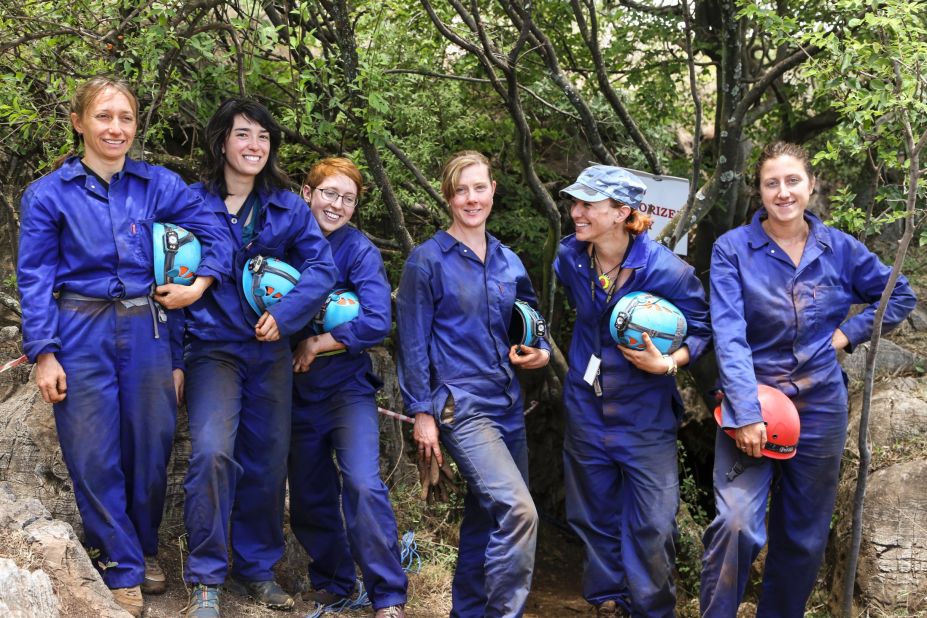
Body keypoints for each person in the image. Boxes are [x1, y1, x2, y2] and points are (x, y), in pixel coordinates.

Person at [17, 76, 231, 617]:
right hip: (79, 328)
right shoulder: (49, 194)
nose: (116, 128)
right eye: (104, 116)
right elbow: (36, 277)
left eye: (126, 118)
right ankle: (121, 566)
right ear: (79, 122)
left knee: (150, 446)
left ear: (137, 125)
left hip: (149, 328)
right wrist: (44, 351)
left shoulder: (159, 185)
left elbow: (215, 229)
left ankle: (144, 546)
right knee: (93, 453)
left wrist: (199, 283)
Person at [700, 141, 917, 617]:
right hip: (750, 400)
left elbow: (898, 294)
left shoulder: (839, 248)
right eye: (771, 183)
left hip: (820, 406)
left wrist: (847, 334)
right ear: (759, 191)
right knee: (736, 522)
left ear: (811, 185)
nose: (783, 192)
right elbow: (729, 333)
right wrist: (745, 411)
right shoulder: (732, 250)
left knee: (802, 536)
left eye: (792, 180)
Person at [175, 98, 337, 618]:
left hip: (269, 353)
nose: (254, 146)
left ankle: (256, 570)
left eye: (264, 137)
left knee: (267, 462)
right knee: (213, 452)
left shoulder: (288, 206)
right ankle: (205, 577)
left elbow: (321, 269)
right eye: (244, 135)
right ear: (222, 140)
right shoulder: (191, 202)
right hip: (213, 350)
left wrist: (288, 316)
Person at [396, 150, 550, 618]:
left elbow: (529, 315)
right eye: (461, 190)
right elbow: (413, 343)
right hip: (460, 406)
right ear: (448, 197)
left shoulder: (509, 261)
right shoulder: (427, 261)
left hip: (506, 401)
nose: (471, 198)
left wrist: (539, 347)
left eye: (479, 187)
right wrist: (422, 412)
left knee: (487, 520)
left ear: (492, 191)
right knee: (519, 512)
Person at [553, 165, 711, 617]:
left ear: (622, 212)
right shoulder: (570, 257)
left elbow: (701, 330)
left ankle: (651, 609)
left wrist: (669, 362)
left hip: (645, 417)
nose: (576, 212)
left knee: (653, 525)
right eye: (575, 202)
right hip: (586, 409)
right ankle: (608, 600)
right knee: (592, 514)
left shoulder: (668, 271)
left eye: (588, 204)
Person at [288, 157, 408, 618]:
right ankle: (335, 582)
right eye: (329, 193)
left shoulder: (358, 251)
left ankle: (388, 595)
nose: (337, 205)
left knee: (362, 482)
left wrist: (317, 342)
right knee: (309, 492)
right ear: (307, 193)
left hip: (347, 390)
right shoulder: (285, 241)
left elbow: (377, 319)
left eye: (348, 199)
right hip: (293, 392)